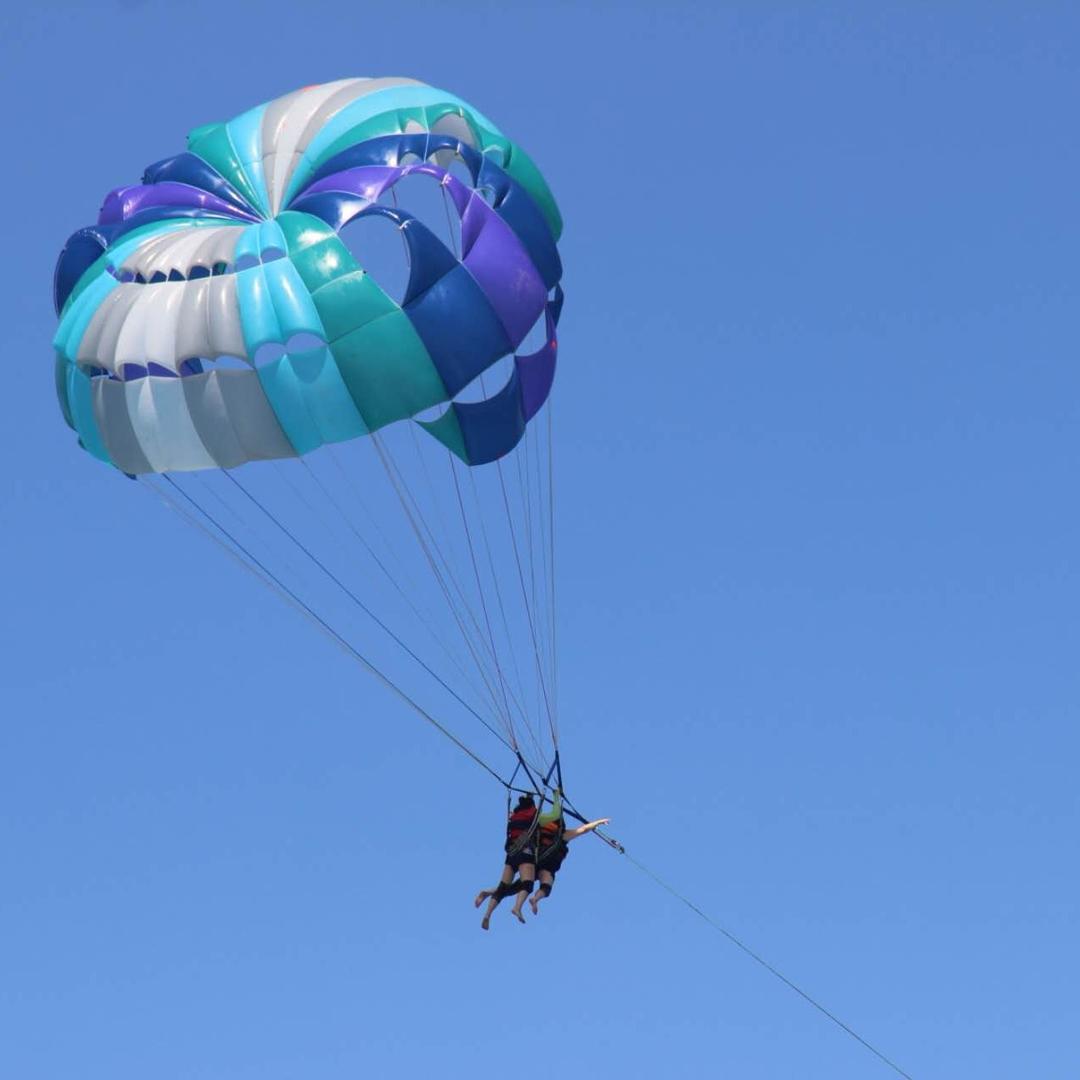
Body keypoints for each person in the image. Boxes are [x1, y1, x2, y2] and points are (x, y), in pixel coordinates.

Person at [474, 791, 555, 929]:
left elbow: (527, 807)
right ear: (533, 806)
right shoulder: (535, 816)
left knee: (503, 888)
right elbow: (555, 815)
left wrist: (532, 798)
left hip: (511, 853)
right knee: (527, 884)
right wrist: (557, 798)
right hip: (525, 852)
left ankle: (487, 914)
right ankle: (517, 907)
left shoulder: (514, 816)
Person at [529, 803, 611, 916]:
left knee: (522, 884)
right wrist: (598, 822)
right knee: (546, 887)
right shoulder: (562, 835)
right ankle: (535, 898)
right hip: (547, 867)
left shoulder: (539, 832)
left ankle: (501, 892)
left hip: (536, 862)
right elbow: (583, 829)